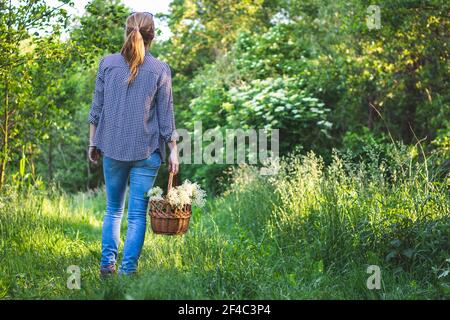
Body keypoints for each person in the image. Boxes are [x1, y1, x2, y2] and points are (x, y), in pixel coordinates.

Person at [87, 12, 179, 276]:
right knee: (137, 215)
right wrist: (173, 151)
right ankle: (128, 272)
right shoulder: (160, 69)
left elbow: (96, 109)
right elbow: (166, 117)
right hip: (146, 151)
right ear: (153, 36)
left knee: (113, 210)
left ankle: (107, 267)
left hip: (112, 148)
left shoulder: (107, 64)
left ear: (126, 32)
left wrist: (93, 142)